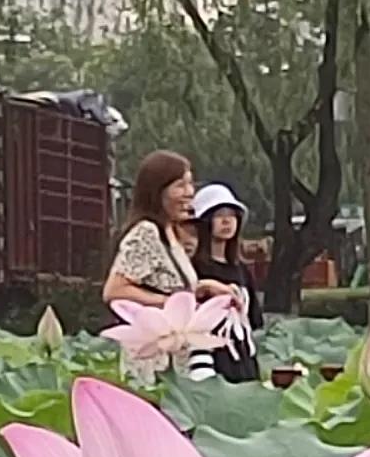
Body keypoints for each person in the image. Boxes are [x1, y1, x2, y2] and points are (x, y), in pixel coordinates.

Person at [185, 182, 265, 381]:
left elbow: (253, 320)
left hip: (243, 358)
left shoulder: (242, 271)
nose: (227, 221)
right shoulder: (193, 268)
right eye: (219, 215)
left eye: (231, 215)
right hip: (209, 359)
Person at [105, 149, 199, 313]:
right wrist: (168, 303)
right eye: (180, 185)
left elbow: (169, 286)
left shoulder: (171, 233)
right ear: (157, 192)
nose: (189, 192)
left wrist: (206, 288)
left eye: (190, 183)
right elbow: (115, 291)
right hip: (152, 334)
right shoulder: (146, 232)